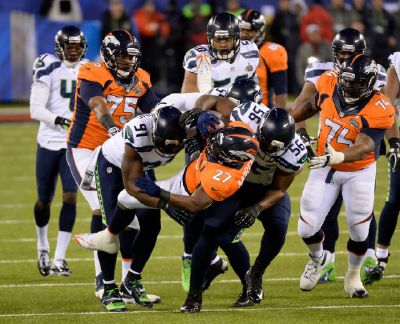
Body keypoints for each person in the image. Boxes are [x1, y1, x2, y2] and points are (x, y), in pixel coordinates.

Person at [292, 54, 395, 298]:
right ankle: (317, 258)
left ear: (370, 83)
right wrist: (289, 121)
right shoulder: (329, 82)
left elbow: (366, 144)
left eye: (355, 83)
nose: (348, 87)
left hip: (358, 170)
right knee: (306, 228)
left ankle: (353, 276)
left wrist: (338, 156)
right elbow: (309, 106)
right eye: (345, 81)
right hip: (324, 165)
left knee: (360, 231)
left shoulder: (381, 107)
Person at [66, 29, 159, 298]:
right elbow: (98, 105)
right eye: (121, 57)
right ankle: (101, 280)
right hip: (86, 148)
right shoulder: (91, 72)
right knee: (102, 210)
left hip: (118, 150)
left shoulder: (141, 78)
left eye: (131, 57)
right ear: (107, 56)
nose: (128, 63)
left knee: (131, 218)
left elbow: (153, 106)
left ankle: (128, 284)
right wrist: (111, 128)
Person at [74, 106, 187, 312]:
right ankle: (108, 288)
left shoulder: (186, 130)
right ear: (155, 135)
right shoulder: (137, 136)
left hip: (143, 167)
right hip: (113, 167)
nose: (171, 150)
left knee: (152, 225)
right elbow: (132, 190)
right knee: (115, 227)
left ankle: (131, 280)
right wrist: (166, 204)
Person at [30, 25, 87, 277]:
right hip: (48, 141)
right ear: (60, 47)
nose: (73, 52)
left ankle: (59, 257)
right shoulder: (48, 65)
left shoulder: (89, 68)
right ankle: (42, 245)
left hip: (72, 145)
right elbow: (35, 109)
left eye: (77, 47)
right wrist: (62, 121)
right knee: (44, 200)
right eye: (69, 47)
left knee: (70, 197)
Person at [181, 12, 259, 93]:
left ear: (237, 39)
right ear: (209, 39)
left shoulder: (250, 49)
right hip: (211, 104)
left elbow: (255, 85)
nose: (223, 44)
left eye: (227, 39)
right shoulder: (198, 56)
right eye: (218, 40)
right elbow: (188, 95)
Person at [376, 51, 400, 275]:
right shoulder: (397, 64)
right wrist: (395, 143)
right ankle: (381, 256)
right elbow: (387, 106)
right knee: (395, 198)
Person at [239, 9, 289, 108]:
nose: (244, 34)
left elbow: (280, 91)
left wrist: (277, 116)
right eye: (242, 29)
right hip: (233, 107)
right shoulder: (229, 51)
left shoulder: (272, 52)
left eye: (249, 30)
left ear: (260, 31)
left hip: (261, 109)